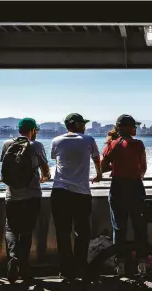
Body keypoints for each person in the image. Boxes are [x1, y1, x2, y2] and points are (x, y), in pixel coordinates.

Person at [50, 113, 102, 280]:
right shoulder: (88, 140)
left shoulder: (56, 141)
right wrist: (99, 174)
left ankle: (66, 270)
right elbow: (96, 158)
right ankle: (81, 266)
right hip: (81, 193)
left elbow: (54, 158)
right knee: (82, 232)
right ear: (77, 124)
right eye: (83, 124)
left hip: (59, 192)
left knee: (63, 232)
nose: (85, 126)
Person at [0, 118, 50, 284]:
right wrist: (45, 178)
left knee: (11, 229)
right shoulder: (36, 146)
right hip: (32, 196)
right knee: (26, 232)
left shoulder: (7, 144)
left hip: (12, 196)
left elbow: (5, 169)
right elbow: (45, 170)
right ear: (33, 130)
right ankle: (24, 269)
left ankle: (13, 258)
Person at [100, 114, 148, 276]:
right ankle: (142, 262)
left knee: (119, 228)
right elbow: (143, 169)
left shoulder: (112, 144)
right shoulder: (139, 144)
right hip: (135, 187)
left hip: (118, 188)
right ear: (128, 128)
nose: (136, 129)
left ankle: (120, 264)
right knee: (139, 226)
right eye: (134, 126)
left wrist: (117, 166)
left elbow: (103, 168)